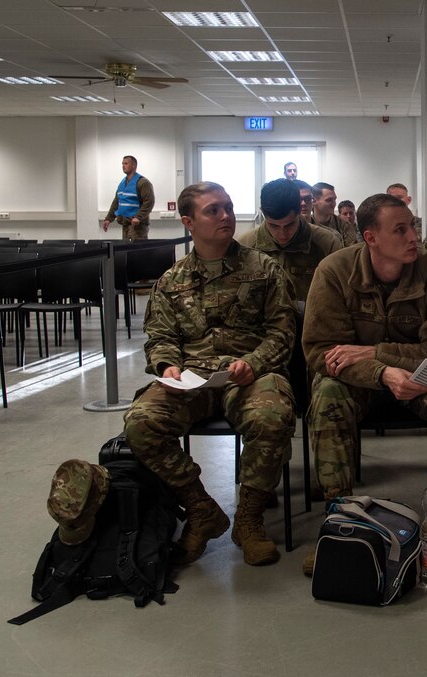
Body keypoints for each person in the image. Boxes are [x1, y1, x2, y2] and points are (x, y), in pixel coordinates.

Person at [303, 193, 427, 575]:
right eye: (400, 230)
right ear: (371, 237)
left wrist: (374, 353)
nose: (413, 236)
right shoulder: (335, 271)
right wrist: (382, 372)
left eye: (413, 227)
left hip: (420, 382)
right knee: (327, 394)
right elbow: (322, 352)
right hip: (360, 385)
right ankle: (339, 521)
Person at [122, 181, 297, 567]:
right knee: (140, 422)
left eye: (229, 207)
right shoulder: (172, 280)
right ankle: (201, 509)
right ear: (189, 222)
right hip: (193, 378)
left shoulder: (263, 268)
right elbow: (161, 337)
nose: (225, 216)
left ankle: (248, 520)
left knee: (271, 416)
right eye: (213, 210)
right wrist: (167, 366)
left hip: (251, 372)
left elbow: (282, 330)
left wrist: (253, 362)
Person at [237, 178, 342, 302]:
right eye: (274, 226)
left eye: (289, 225)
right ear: (263, 212)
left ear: (300, 209)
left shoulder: (327, 244)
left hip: (310, 319)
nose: (282, 234)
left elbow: (341, 295)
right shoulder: (245, 246)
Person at [102, 155, 155, 240]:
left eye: (126, 163)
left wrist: (138, 217)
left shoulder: (142, 182)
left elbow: (149, 202)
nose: (123, 166)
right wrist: (108, 219)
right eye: (122, 164)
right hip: (125, 224)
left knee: (137, 251)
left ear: (134, 165)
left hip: (138, 226)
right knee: (126, 250)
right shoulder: (122, 183)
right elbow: (116, 202)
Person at [312, 181, 360, 246]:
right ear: (314, 201)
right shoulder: (306, 224)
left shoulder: (344, 226)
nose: (334, 204)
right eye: (329, 200)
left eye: (334, 199)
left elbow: (352, 251)